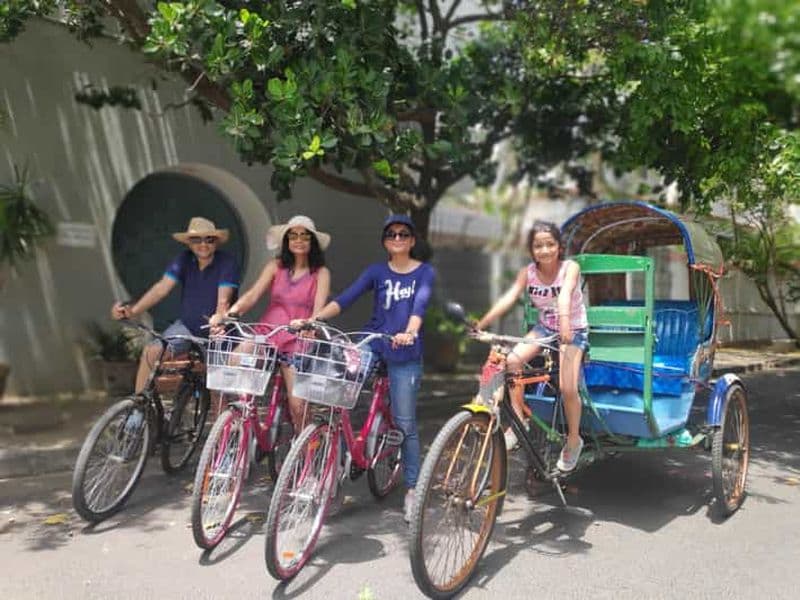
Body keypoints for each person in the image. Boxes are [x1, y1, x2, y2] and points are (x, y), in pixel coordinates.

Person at [296, 214, 435, 523]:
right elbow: (346, 298)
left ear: (412, 240)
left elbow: (420, 306)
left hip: (405, 350)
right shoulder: (376, 271)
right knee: (338, 397)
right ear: (385, 241)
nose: (397, 238)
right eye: (391, 234)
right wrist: (315, 319)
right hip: (373, 343)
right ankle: (334, 472)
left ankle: (412, 489)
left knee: (405, 423)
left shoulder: (424, 272)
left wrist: (410, 332)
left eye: (403, 234)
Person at [475, 220, 589, 472]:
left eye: (550, 244)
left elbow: (565, 296)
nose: (544, 250)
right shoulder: (527, 273)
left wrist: (565, 324)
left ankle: (573, 439)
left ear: (559, 247)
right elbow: (509, 297)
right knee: (512, 360)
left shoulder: (570, 268)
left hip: (572, 330)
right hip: (545, 328)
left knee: (567, 387)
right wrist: (481, 323)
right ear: (531, 250)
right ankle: (519, 422)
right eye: (538, 246)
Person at [210, 215, 331, 434]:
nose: (298, 240)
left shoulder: (321, 273)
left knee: (298, 407)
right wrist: (231, 314)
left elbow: (319, 311)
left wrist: (310, 325)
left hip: (297, 339)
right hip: (267, 334)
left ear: (312, 241)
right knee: (228, 370)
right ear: (286, 241)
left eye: (305, 236)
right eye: (293, 235)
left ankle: (307, 446)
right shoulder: (276, 266)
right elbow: (253, 295)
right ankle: (231, 430)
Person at [111, 217, 241, 393]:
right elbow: (161, 289)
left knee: (217, 389)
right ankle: (139, 403)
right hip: (187, 327)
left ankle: (218, 408)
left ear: (216, 242)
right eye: (196, 239)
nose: (203, 244)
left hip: (218, 331)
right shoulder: (184, 259)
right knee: (152, 352)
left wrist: (218, 322)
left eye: (209, 239)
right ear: (189, 243)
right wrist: (133, 311)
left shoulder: (227, 263)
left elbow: (223, 301)